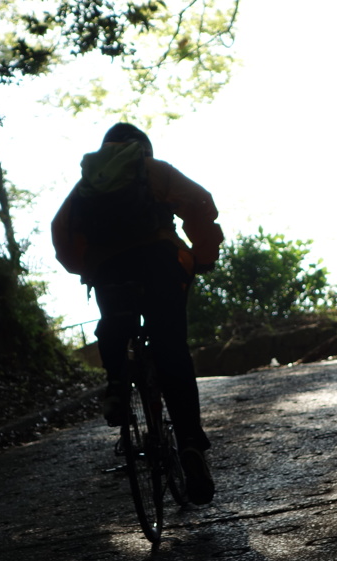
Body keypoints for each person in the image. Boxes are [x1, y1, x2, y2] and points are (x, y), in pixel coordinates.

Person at [51, 122, 223, 504]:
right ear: (141, 148)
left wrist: (89, 267)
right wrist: (203, 256)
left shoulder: (87, 184)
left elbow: (61, 233)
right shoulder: (152, 169)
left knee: (116, 322)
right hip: (158, 264)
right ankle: (190, 444)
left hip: (108, 270)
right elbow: (199, 203)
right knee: (170, 346)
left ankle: (116, 385)